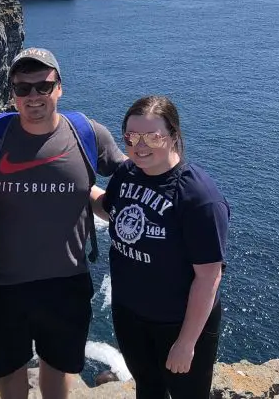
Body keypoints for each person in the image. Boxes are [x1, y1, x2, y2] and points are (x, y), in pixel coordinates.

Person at [0, 48, 125, 399]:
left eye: (43, 86)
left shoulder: (86, 132)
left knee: (59, 365)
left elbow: (133, 172)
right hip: (3, 282)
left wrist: (177, 186)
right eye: (23, 89)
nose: (33, 96)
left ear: (59, 88)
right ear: (12, 94)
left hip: (65, 281)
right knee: (10, 369)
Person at [90, 95, 229, 399]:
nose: (140, 145)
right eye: (131, 136)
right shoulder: (127, 174)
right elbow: (108, 208)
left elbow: (209, 277)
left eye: (153, 136)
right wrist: (75, 182)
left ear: (173, 136)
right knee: (148, 390)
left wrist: (186, 343)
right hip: (130, 316)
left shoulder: (198, 196)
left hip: (177, 324)